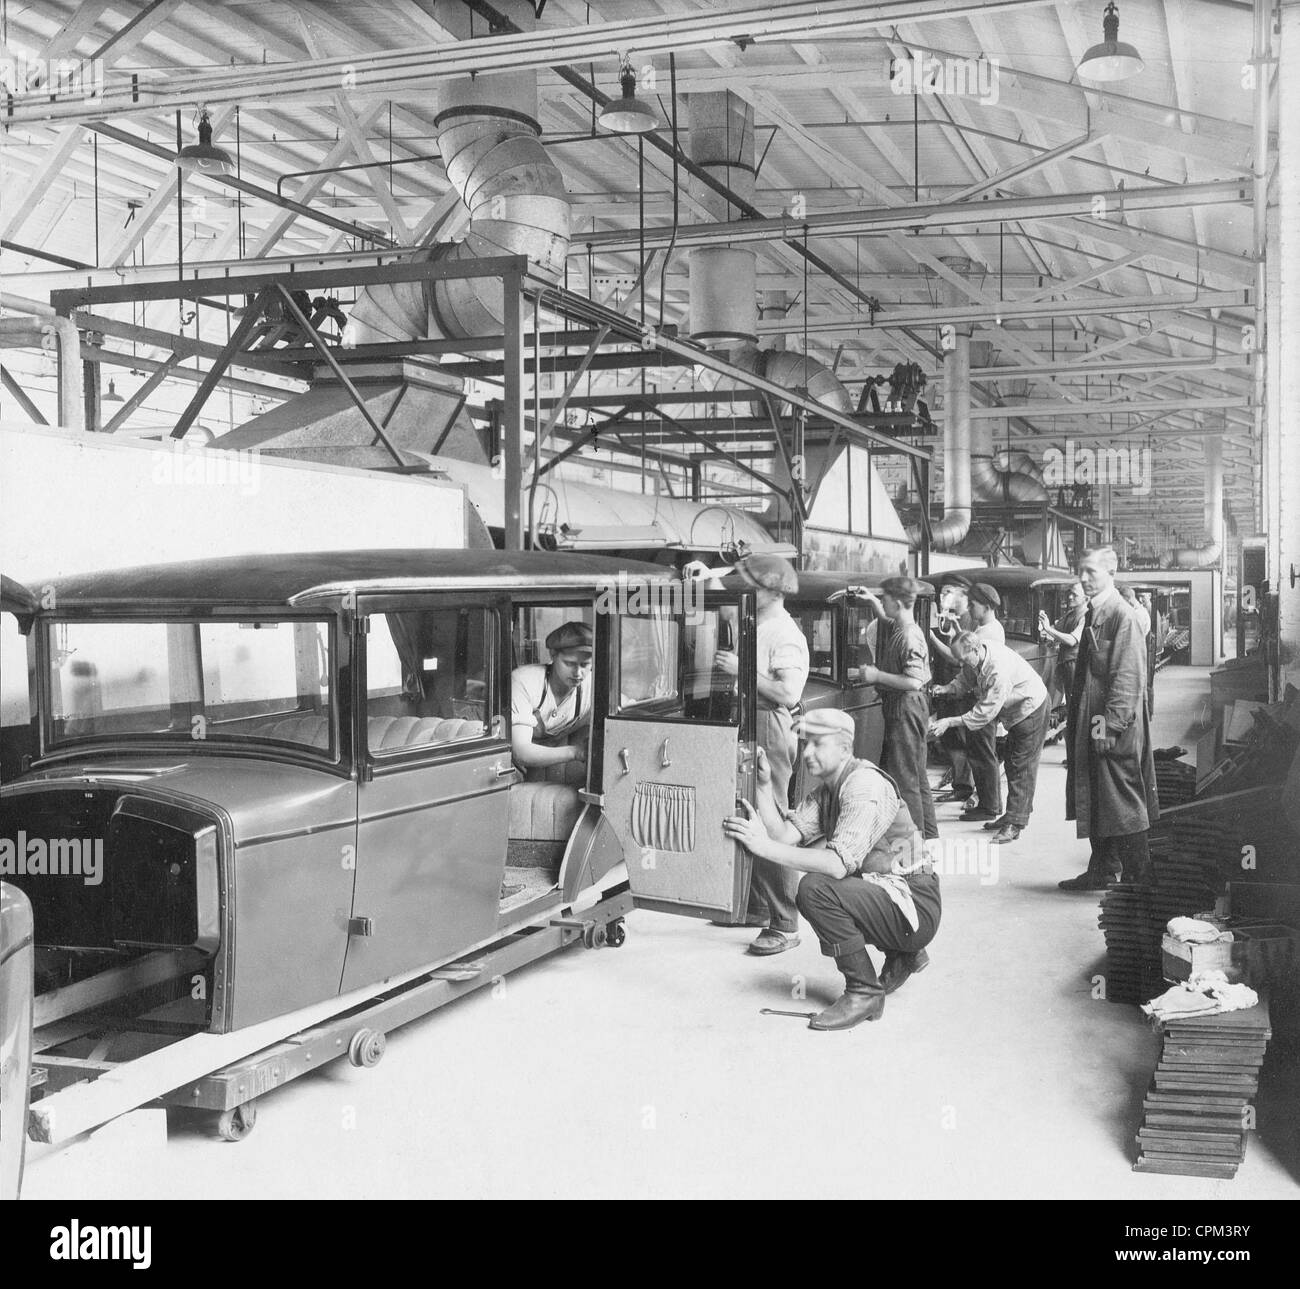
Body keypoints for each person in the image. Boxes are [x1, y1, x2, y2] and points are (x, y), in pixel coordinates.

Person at [722, 709, 941, 1031]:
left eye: (817, 744)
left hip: (916, 904)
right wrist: (765, 787)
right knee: (827, 880)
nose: (806, 753)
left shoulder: (864, 786)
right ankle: (905, 953)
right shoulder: (829, 788)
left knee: (816, 889)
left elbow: (837, 865)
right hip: (895, 898)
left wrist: (763, 847)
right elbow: (783, 836)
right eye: (805, 743)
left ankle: (864, 991)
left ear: (844, 749)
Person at [715, 553, 810, 956]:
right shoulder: (758, 618)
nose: (742, 589)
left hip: (769, 724)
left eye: (750, 584)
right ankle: (758, 906)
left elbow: (789, 694)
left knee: (769, 818)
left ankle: (785, 922)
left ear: (772, 590)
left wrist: (741, 669)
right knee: (746, 810)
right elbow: (724, 585)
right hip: (750, 718)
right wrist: (707, 575)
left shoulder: (784, 633)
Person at [1058, 548, 1160, 891]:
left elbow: (1128, 678)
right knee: (1098, 795)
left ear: (1112, 570)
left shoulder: (1121, 615)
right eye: (1080, 571)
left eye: (1090, 571)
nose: (1083, 578)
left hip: (1112, 726)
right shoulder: (1096, 612)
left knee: (1121, 799)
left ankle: (1138, 880)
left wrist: (1109, 727)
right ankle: (1101, 870)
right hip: (1093, 721)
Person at [929, 631, 1050, 844]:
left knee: (1021, 766)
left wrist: (949, 721)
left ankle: (1014, 824)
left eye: (963, 659)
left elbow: (984, 713)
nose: (959, 663)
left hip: (1030, 709)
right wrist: (948, 688)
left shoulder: (997, 670)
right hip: (1016, 710)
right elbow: (966, 677)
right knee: (1014, 766)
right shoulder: (975, 654)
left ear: (975, 650)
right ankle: (1010, 816)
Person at [848, 577, 938, 841]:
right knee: (917, 775)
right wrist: (874, 602)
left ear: (897, 603)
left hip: (906, 706)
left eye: (885, 599)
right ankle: (928, 837)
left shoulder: (910, 635)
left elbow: (914, 680)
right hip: (908, 706)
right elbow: (888, 621)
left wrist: (876, 676)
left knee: (904, 778)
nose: (883, 603)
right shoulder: (902, 626)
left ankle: (913, 848)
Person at [511, 621, 593, 775]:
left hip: (545, 767)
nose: (577, 673)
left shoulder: (593, 685)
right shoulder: (523, 681)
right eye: (569, 663)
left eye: (584, 664)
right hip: (508, 765)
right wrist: (576, 752)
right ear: (553, 655)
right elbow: (521, 751)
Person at [1038, 581, 1086, 713]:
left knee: (1076, 703)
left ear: (1085, 598)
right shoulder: (1070, 615)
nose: (1070, 597)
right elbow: (1055, 629)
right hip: (1066, 664)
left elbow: (1071, 640)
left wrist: (1048, 629)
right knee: (1071, 703)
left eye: (1074, 595)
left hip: (1076, 665)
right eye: (1069, 593)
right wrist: (1045, 629)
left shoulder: (1086, 617)